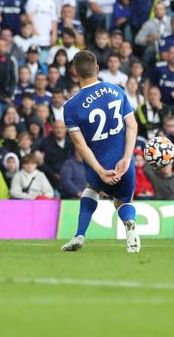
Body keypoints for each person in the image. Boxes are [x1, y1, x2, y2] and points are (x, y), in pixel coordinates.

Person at [60, 50, 140, 253]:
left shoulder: (71, 106)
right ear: (97, 69)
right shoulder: (117, 91)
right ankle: (130, 227)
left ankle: (79, 234)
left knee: (91, 189)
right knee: (123, 201)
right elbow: (132, 125)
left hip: (99, 161)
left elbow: (80, 145)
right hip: (123, 162)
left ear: (74, 73)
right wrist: (127, 157)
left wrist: (100, 170)